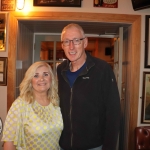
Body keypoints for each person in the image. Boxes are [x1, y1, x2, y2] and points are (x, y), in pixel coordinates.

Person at [57, 23, 121, 150]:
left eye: (76, 41)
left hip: (93, 146)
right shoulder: (60, 70)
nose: (71, 47)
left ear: (85, 42)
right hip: (63, 145)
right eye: (67, 41)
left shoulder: (102, 69)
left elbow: (113, 113)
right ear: (62, 45)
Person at [2, 61, 63, 150]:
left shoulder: (56, 102)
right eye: (36, 75)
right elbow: (9, 143)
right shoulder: (20, 105)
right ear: (30, 80)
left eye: (46, 74)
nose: (41, 79)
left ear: (51, 78)